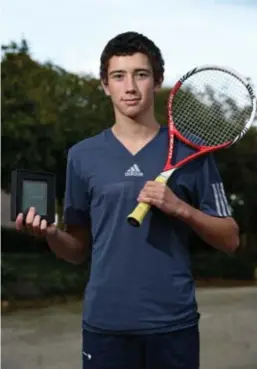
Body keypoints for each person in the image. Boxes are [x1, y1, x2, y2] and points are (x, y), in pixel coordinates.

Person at [16, 31, 240, 369]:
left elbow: (231, 240)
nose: (130, 86)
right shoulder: (82, 156)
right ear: (105, 85)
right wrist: (50, 234)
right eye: (118, 76)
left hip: (172, 324)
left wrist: (180, 208)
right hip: (106, 326)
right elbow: (77, 250)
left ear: (158, 80)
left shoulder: (192, 152)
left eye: (141, 74)